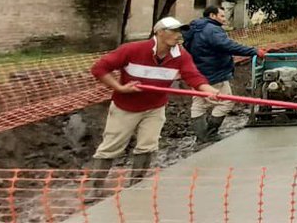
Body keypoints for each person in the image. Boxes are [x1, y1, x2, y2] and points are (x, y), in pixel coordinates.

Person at [86, 17, 220, 190]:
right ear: (159, 32)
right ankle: (94, 188)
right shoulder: (134, 49)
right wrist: (119, 88)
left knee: (148, 146)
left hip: (155, 107)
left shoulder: (180, 55)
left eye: (180, 31)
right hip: (126, 107)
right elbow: (99, 69)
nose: (178, 35)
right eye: (174, 30)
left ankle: (136, 186)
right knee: (111, 146)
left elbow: (192, 75)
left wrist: (206, 89)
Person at [182, 5, 267, 142]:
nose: (224, 19)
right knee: (227, 101)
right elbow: (228, 46)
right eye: (221, 16)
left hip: (198, 72)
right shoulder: (212, 30)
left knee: (198, 103)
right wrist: (253, 51)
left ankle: (201, 135)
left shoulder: (195, 29)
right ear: (212, 16)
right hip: (214, 72)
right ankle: (209, 133)